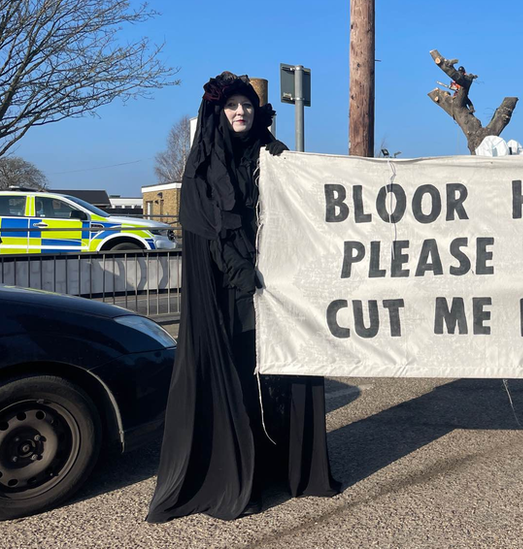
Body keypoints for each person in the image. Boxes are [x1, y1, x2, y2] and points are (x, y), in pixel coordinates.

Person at [147, 72, 341, 523]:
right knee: (237, 380)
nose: (241, 112)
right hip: (228, 295)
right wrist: (241, 272)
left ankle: (289, 469)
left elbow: (301, 209)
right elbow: (209, 231)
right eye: (233, 105)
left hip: (275, 287)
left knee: (284, 372)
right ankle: (238, 478)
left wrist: (284, 162)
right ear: (218, 112)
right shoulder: (200, 171)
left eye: (248, 106)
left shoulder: (269, 158)